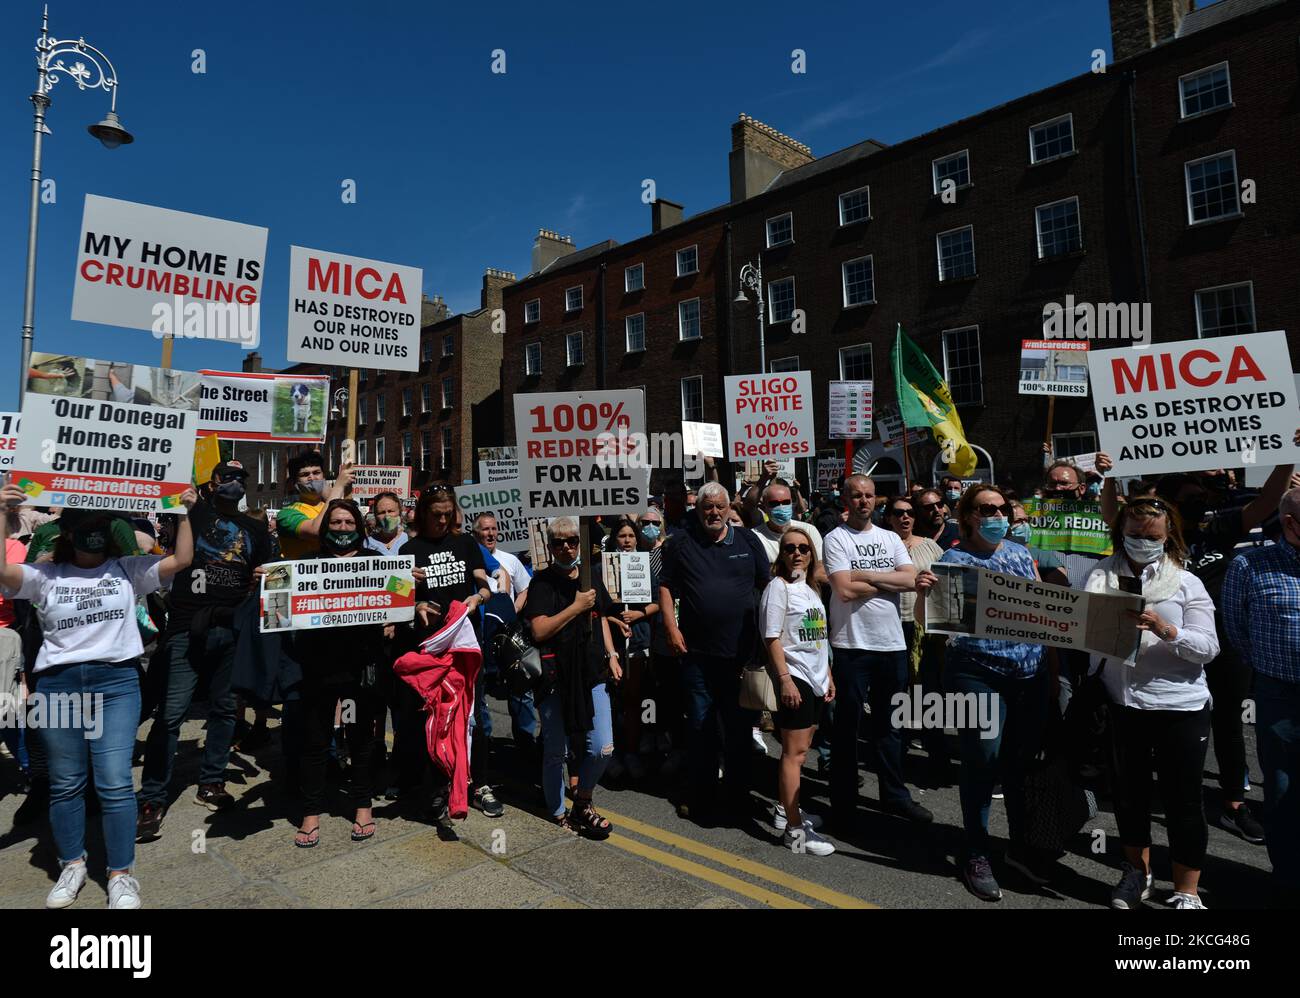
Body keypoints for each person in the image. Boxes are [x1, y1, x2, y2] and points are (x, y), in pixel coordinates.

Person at [1, 482, 197, 909]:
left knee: (113, 781)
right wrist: (1, 513)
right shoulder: (45, 574)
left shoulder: (128, 569)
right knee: (66, 783)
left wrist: (182, 512)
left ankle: (121, 873)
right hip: (58, 683)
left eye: (100, 525)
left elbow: (182, 560)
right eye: (84, 525)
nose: (93, 532)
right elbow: (3, 574)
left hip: (116, 683)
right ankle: (72, 863)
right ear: (67, 533)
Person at [915, 485, 1049, 902]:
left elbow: (1045, 607)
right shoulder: (953, 561)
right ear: (968, 516)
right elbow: (934, 623)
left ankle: (1021, 847)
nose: (997, 515)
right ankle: (976, 851)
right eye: (986, 509)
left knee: (1019, 763)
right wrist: (924, 594)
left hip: (1027, 672)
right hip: (977, 672)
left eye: (1002, 509)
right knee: (982, 757)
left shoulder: (1021, 554)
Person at [1084, 498, 1219, 910]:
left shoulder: (1185, 582)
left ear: (1168, 537)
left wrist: (1165, 629)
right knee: (1130, 796)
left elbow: (1208, 648)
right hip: (1123, 703)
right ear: (1120, 533)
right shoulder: (1099, 576)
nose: (1142, 542)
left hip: (1180, 706)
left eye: (1152, 537)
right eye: (1135, 535)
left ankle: (1186, 891)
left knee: (1183, 800)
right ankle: (1137, 875)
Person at [1154, 458, 1296, 844]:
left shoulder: (1217, 530)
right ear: (1169, 504)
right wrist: (1112, 478)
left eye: (1202, 496)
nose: (1200, 502)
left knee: (1229, 724)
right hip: (1170, 644)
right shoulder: (1154, 539)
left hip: (1222, 643)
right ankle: (1174, 794)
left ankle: (1234, 803)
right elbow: (1116, 516)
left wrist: (1285, 458)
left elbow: (1267, 500)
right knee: (1174, 721)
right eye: (1190, 497)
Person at [137, 461, 272, 840]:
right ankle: (152, 797)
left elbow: (268, 571)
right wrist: (184, 500)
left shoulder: (255, 528)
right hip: (186, 628)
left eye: (240, 479)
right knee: (170, 715)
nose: (234, 484)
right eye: (226, 478)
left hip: (231, 628)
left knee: (224, 709)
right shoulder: (193, 512)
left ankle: (211, 781)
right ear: (211, 484)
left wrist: (264, 574)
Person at [822, 475, 930, 832]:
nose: (864, 501)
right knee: (847, 727)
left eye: (869, 496)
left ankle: (894, 795)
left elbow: (911, 579)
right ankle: (844, 800)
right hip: (852, 645)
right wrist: (888, 579)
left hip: (891, 644)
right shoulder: (835, 539)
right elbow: (843, 592)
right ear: (846, 499)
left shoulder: (888, 538)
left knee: (890, 726)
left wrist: (866, 574)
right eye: (857, 496)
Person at [659, 481, 770, 822]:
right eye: (707, 507)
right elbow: (666, 586)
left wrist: (769, 641)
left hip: (740, 657)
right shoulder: (680, 544)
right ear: (698, 509)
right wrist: (671, 627)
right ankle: (701, 795)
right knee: (700, 728)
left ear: (727, 508)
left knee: (738, 731)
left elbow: (768, 588)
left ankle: (738, 797)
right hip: (698, 657)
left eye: (720, 507)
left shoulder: (749, 541)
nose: (714, 513)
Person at [288, 499, 383, 848]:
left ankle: (362, 804)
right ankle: (310, 813)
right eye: (336, 522)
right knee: (315, 740)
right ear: (326, 526)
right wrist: (269, 581)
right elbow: (284, 604)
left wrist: (408, 588)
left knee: (361, 739)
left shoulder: (376, 563)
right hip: (319, 666)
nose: (343, 528)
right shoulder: (308, 564)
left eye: (348, 522)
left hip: (360, 667)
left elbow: (397, 599)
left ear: (359, 527)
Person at [1222, 486, 1300, 901]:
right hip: (1280, 694)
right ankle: (1288, 878)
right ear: (1290, 523)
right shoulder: (1250, 566)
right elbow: (1237, 628)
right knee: (1283, 789)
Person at [402, 485, 498, 819]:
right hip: (431, 645)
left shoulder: (465, 543)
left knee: (474, 715)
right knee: (436, 717)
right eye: (436, 514)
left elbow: (484, 584)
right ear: (423, 513)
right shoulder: (409, 548)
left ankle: (479, 783)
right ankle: (439, 787)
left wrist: (478, 597)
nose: (443, 520)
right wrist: (414, 603)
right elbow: (397, 598)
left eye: (448, 514)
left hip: (464, 643)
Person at [521, 518, 619, 837]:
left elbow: (601, 615)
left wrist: (613, 654)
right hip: (554, 675)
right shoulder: (542, 583)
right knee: (556, 750)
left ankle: (583, 799)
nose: (566, 547)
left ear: (580, 543)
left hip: (591, 672)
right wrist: (575, 607)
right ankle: (557, 811)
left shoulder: (590, 576)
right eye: (559, 542)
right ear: (550, 547)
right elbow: (538, 630)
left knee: (602, 747)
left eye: (572, 541)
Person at [761, 525, 836, 855]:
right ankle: (794, 831)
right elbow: (771, 637)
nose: (797, 553)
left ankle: (787, 810)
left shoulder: (810, 588)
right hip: (796, 679)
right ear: (782, 554)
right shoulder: (778, 587)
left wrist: (829, 675)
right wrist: (785, 679)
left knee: (803, 750)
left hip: (817, 679)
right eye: (790, 548)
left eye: (803, 548)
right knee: (794, 755)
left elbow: (818, 638)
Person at [884, 495, 947, 777]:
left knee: (928, 691)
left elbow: (947, 583)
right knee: (897, 690)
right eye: (898, 513)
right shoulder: (882, 545)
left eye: (909, 512)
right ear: (888, 518)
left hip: (924, 626)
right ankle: (898, 749)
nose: (905, 518)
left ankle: (936, 753)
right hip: (891, 624)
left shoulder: (930, 546)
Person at [604, 518, 659, 779]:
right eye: (621, 536)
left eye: (630, 536)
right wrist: (615, 619)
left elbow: (659, 602)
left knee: (634, 699)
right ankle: (612, 752)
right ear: (614, 539)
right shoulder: (603, 568)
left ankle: (632, 751)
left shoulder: (646, 566)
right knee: (613, 700)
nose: (626, 540)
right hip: (613, 644)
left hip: (638, 640)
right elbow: (598, 608)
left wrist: (639, 614)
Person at [276, 452, 354, 559]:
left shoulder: (334, 506)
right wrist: (339, 486)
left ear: (323, 477)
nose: (312, 478)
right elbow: (316, 530)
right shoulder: (286, 514)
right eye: (305, 475)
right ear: (294, 482)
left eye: (316, 473)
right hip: (304, 573)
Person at [1007, 500, 1068, 586]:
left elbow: (1062, 588)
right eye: (1018, 521)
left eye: (1027, 520)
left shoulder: (1041, 555)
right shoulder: (993, 551)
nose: (1025, 525)